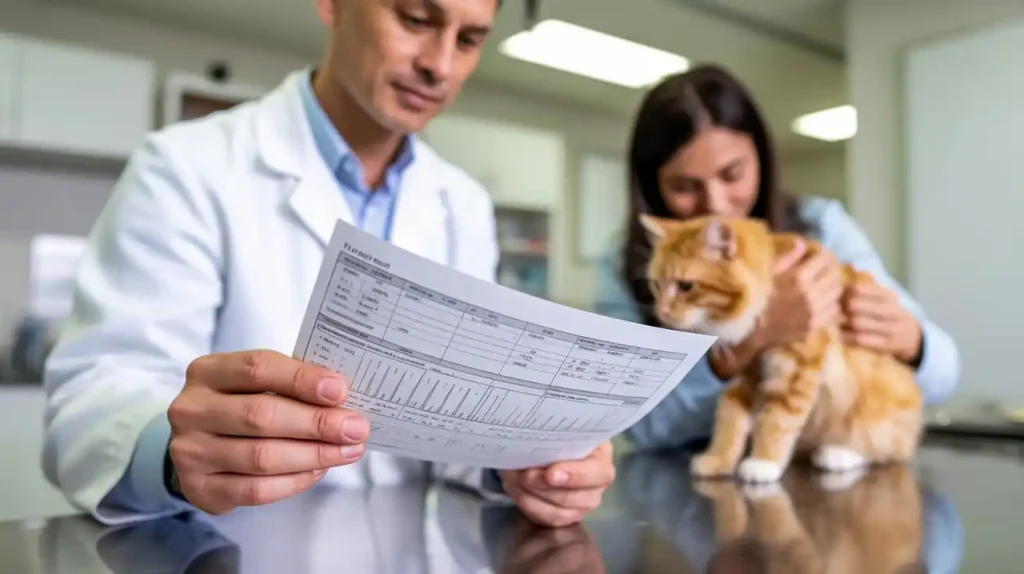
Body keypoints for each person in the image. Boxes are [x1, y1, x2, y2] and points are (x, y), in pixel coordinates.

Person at [42, 0, 614, 527]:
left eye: (467, 39)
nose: (439, 65)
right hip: (220, 550)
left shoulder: (460, 204)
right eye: (416, 18)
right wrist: (170, 452)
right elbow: (92, 405)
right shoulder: (186, 168)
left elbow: (448, 431)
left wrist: (524, 464)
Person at [594, 64, 961, 451]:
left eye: (732, 174)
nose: (715, 205)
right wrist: (752, 339)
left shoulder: (821, 228)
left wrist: (911, 341)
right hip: (682, 480)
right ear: (652, 186)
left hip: (820, 461)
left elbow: (945, 375)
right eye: (685, 187)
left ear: (761, 157)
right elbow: (642, 426)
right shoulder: (627, 262)